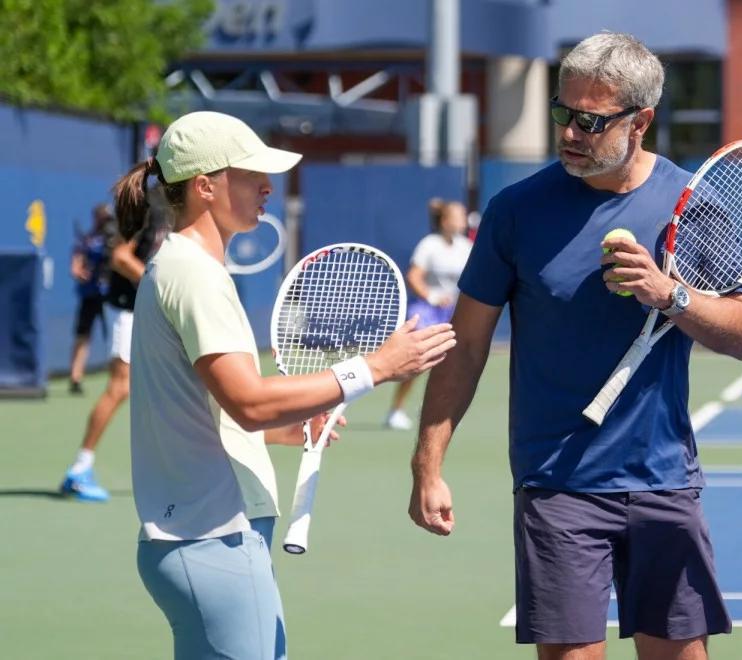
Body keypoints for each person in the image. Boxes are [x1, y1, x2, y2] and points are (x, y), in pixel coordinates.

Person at [409, 33, 742, 660]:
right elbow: (466, 349)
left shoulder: (693, 207)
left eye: (590, 121)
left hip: (662, 480)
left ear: (640, 121)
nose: (570, 132)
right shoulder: (515, 212)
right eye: (562, 113)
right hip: (556, 485)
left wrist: (668, 294)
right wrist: (427, 464)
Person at [116, 111, 455, 659]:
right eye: (251, 174)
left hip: (200, 538)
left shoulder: (180, 267)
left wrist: (290, 424)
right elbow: (248, 401)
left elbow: (211, 408)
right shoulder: (194, 274)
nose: (268, 186)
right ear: (206, 186)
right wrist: (373, 367)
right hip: (212, 541)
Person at [58, 194, 169, 502]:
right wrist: (160, 284)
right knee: (120, 387)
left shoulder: (169, 214)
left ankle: (172, 469)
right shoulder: (144, 211)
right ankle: (79, 470)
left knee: (165, 386)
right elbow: (121, 257)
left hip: (146, 310)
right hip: (125, 310)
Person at [384, 198, 473, 430]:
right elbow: (414, 276)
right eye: (458, 216)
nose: (463, 220)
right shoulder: (429, 245)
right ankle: (396, 410)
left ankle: (439, 412)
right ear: (445, 221)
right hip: (427, 310)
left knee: (452, 365)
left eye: (463, 216)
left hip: (453, 311)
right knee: (417, 362)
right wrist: (432, 296)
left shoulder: (466, 246)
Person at [67, 204, 116, 394]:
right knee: (83, 336)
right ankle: (75, 378)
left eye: (108, 218)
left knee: (115, 336)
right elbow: (76, 265)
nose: (106, 222)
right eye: (102, 218)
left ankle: (118, 377)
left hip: (110, 297)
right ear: (95, 218)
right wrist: (79, 272)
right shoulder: (88, 241)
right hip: (89, 296)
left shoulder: (115, 239)